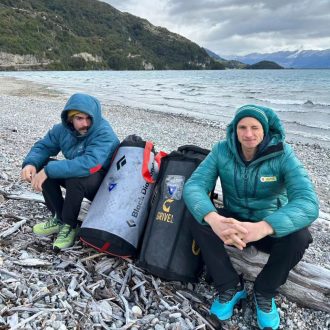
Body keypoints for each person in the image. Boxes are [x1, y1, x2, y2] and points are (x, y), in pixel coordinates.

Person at [183, 104, 319, 329]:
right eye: (242, 127)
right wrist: (215, 220)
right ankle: (229, 285)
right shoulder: (221, 150)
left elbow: (308, 202)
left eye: (255, 128)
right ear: (234, 130)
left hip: (267, 227)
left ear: (264, 130)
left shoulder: (282, 154)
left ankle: (264, 291)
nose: (248, 134)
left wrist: (265, 226)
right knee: (196, 217)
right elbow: (194, 186)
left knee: (300, 237)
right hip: (233, 225)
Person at [21, 93, 120, 250]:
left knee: (72, 175)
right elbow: (44, 146)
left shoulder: (104, 133)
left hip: (105, 185)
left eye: (89, 118)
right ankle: (59, 218)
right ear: (70, 119)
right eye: (79, 118)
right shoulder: (61, 130)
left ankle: (69, 225)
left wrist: (49, 170)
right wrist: (31, 163)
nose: (85, 123)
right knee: (43, 165)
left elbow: (90, 164)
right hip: (83, 175)